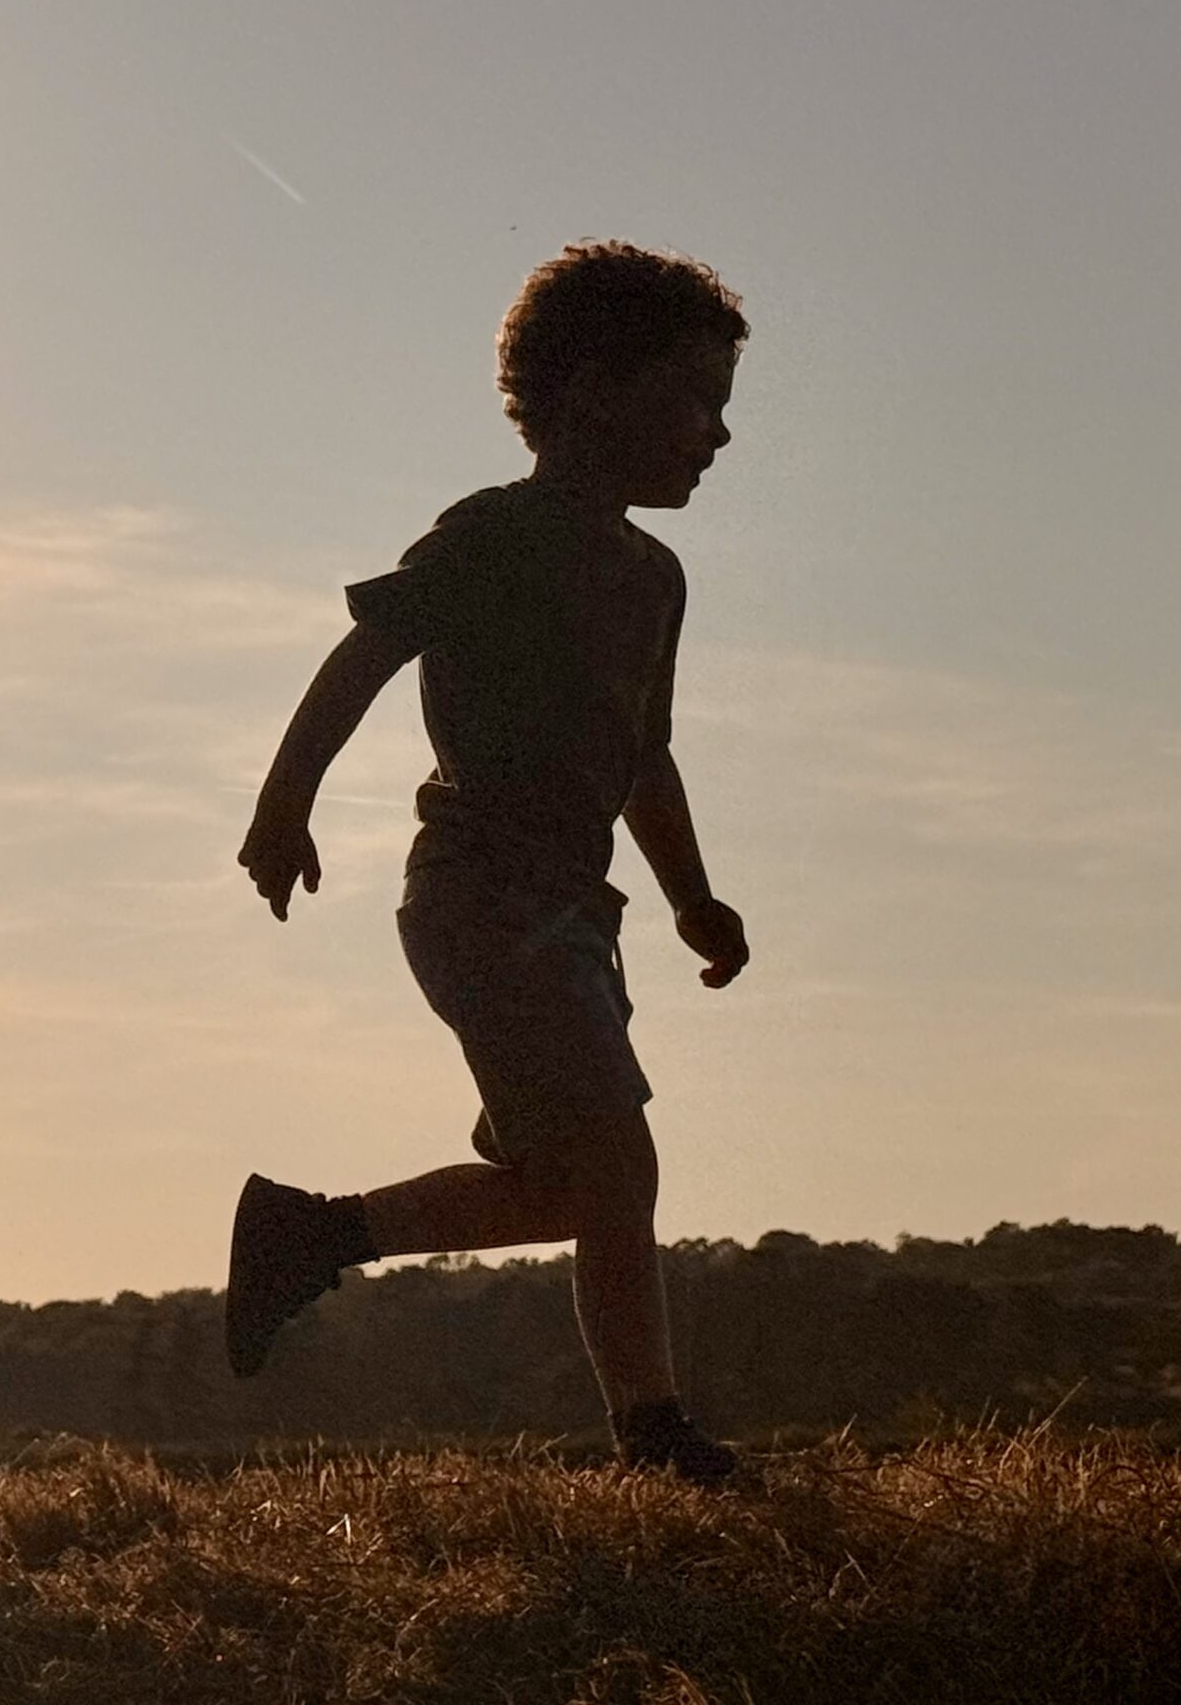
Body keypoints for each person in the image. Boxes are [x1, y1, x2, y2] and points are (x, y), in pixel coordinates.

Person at [228, 241, 750, 1482]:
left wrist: (691, 898)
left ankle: (311, 1235)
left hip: (578, 913)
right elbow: (366, 655)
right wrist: (283, 807)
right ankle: (652, 1433)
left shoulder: (655, 578)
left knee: (571, 1185)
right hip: (478, 895)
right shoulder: (494, 534)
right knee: (618, 1160)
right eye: (693, 398)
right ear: (588, 392)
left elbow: (643, 754)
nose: (718, 432)